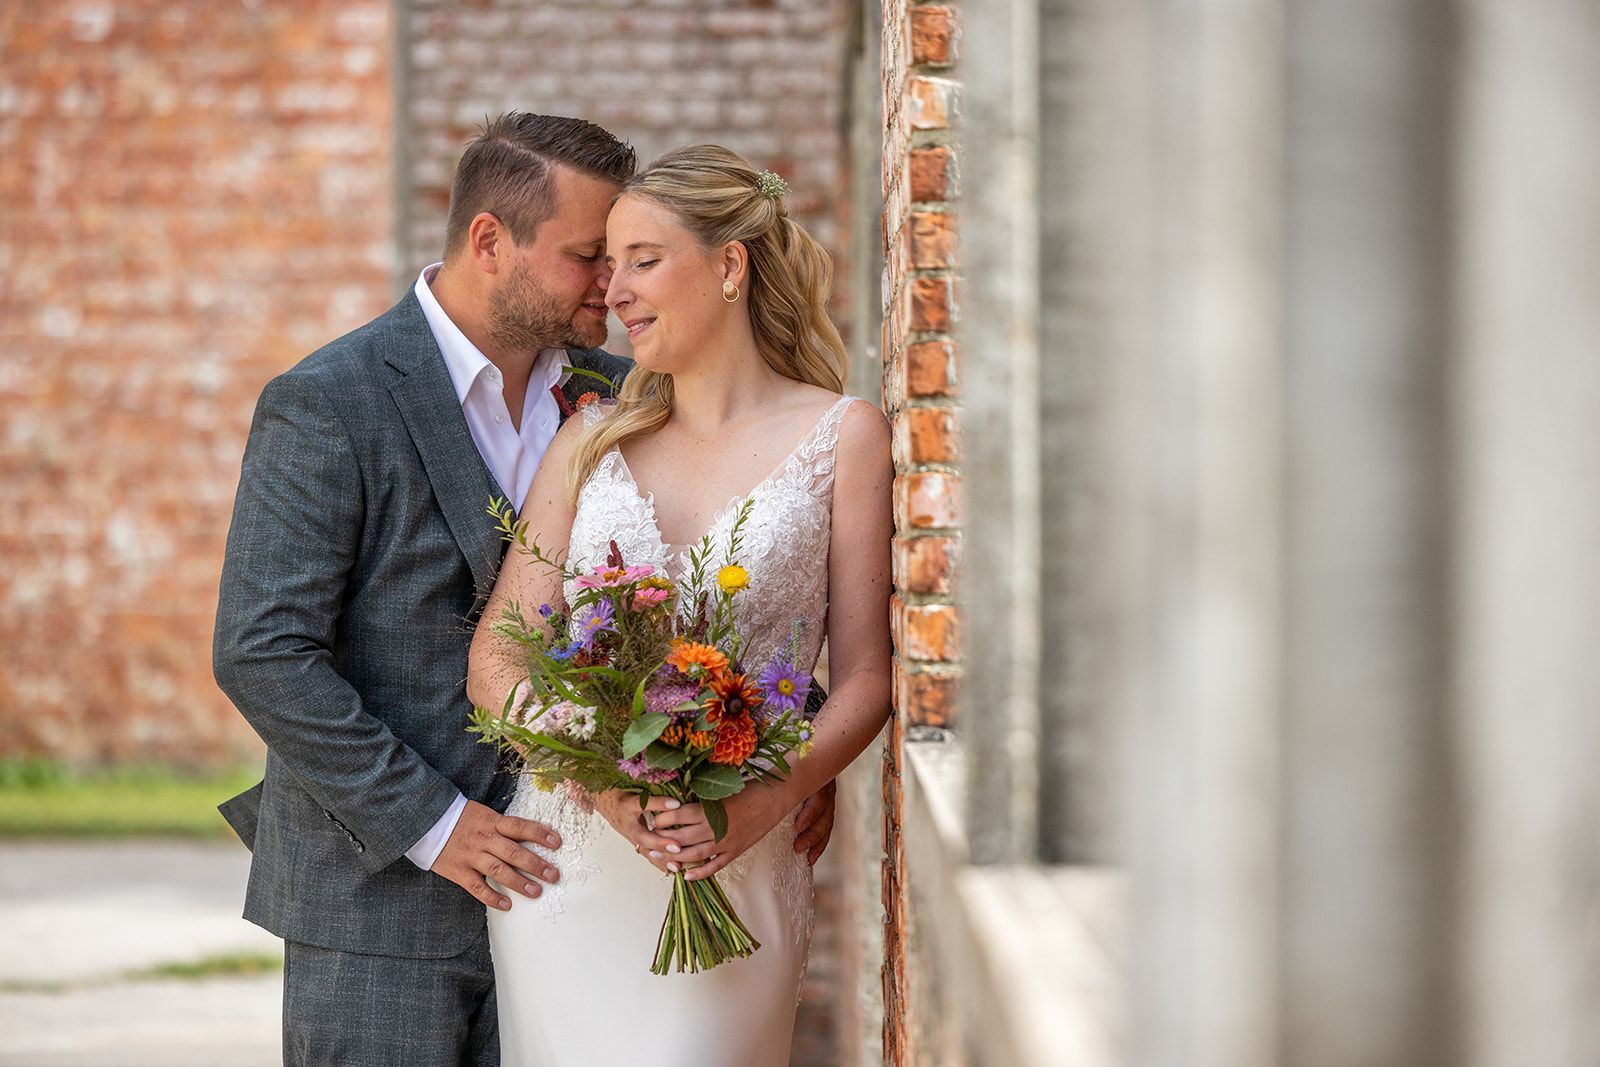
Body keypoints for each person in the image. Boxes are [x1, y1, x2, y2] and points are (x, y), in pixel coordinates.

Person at [212, 114, 840, 1065]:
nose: (611, 284)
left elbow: (714, 570)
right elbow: (262, 652)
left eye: (626, 258)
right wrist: (437, 824)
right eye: (590, 255)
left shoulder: (627, 391)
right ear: (489, 241)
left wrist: (775, 740)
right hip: (383, 906)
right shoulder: (330, 401)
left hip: (595, 907)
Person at [466, 145, 893, 1065]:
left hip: (735, 859)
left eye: (643, 260)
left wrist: (772, 796)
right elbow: (497, 661)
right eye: (609, 263)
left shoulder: (843, 436)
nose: (613, 290)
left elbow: (866, 678)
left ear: (730, 265)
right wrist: (602, 781)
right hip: (569, 865)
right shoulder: (588, 438)